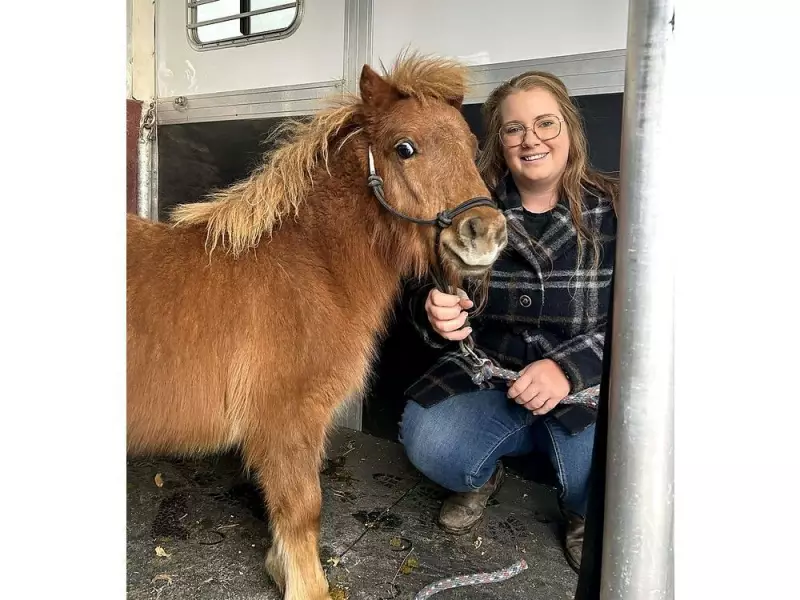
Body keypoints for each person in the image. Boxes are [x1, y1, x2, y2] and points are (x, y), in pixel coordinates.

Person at [399, 70, 618, 572]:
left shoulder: (616, 208)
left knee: (612, 465)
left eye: (546, 123)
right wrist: (432, 309)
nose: (531, 139)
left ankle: (583, 513)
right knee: (431, 440)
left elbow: (642, 324)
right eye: (513, 128)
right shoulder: (472, 209)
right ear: (499, 142)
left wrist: (568, 370)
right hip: (491, 379)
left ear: (570, 131)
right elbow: (421, 288)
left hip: (584, 392)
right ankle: (483, 473)